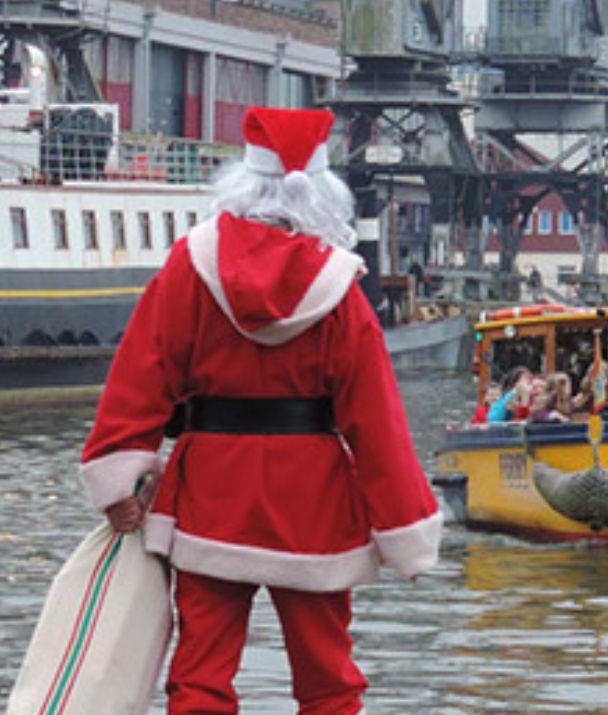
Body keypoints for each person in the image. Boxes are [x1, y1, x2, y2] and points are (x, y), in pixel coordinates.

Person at [78, 107, 442, 715]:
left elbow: (141, 374)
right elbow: (376, 424)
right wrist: (405, 527)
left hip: (210, 492)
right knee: (329, 681)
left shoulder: (188, 270)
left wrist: (118, 476)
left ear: (242, 182)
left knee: (199, 676)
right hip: (314, 500)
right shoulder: (342, 292)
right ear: (323, 193)